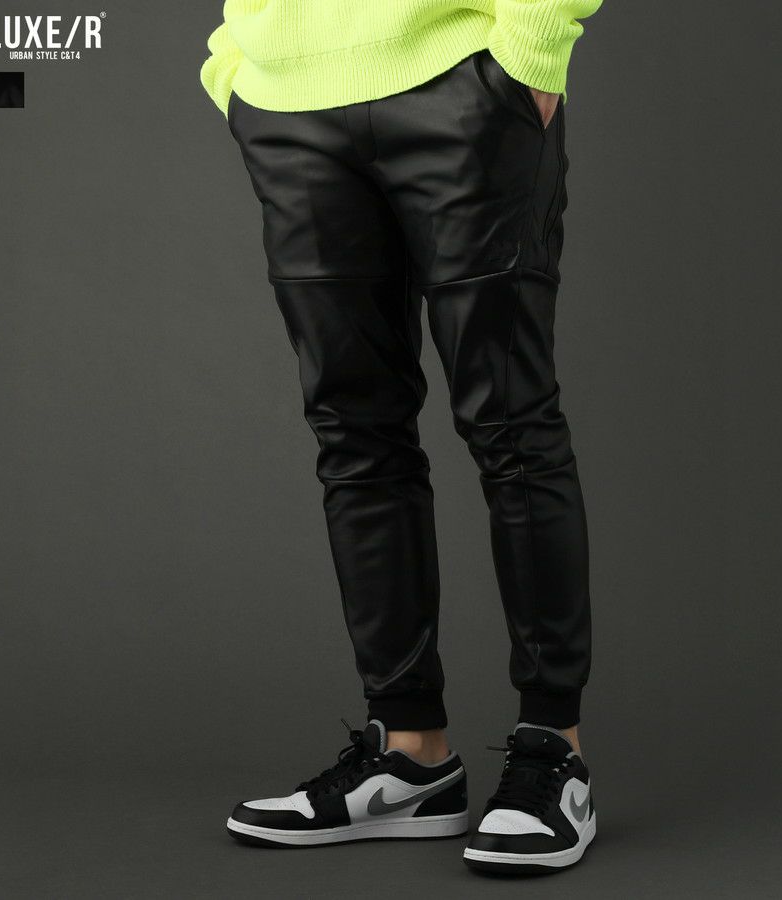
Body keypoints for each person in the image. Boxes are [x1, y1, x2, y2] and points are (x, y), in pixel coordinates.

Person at [201, 0, 602, 875]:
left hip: (462, 78)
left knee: (511, 422)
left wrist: (533, 48)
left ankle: (553, 753)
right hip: (288, 101)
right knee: (354, 432)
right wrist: (236, 66)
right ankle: (411, 755)